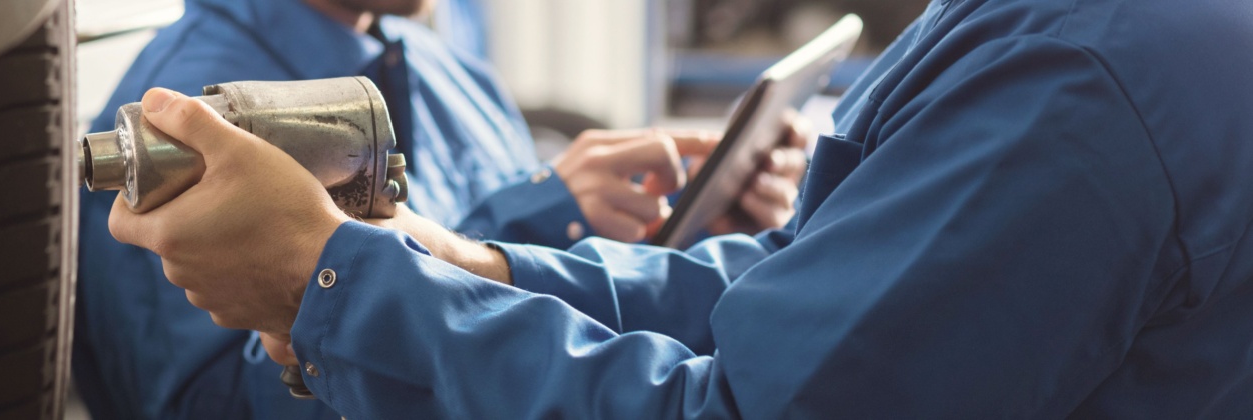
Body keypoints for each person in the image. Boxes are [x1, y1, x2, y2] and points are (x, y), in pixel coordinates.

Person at [108, 0, 1253, 417]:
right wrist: (492, 259)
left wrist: (345, 284)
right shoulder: (184, 97)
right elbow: (806, 300)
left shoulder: (1077, 62)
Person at [76, 0, 805, 418]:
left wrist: (670, 236)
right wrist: (536, 217)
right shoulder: (181, 117)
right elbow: (217, 405)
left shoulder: (452, 73)